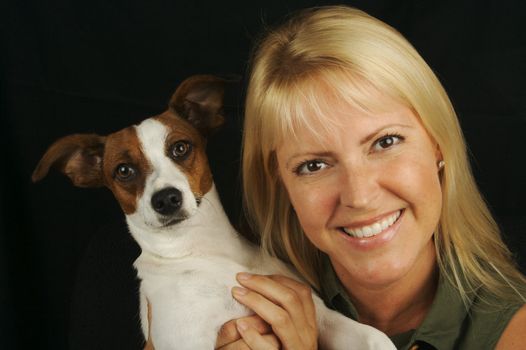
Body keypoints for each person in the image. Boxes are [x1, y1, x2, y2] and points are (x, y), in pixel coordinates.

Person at [214, 5, 526, 350]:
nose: (359, 196)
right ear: (281, 183)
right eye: (314, 165)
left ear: (438, 144)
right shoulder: (222, 300)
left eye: (385, 142)